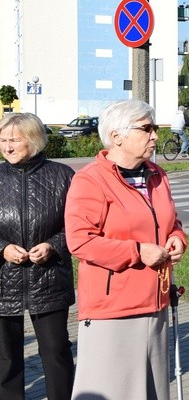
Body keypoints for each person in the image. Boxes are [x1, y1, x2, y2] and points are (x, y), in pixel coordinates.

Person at [65, 99, 187, 400]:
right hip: (114, 308)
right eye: (147, 129)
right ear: (116, 136)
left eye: (155, 128)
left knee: (151, 390)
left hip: (156, 302)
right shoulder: (90, 180)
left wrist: (178, 238)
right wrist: (137, 251)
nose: (155, 136)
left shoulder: (158, 174)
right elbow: (80, 240)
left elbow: (171, 221)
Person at [0, 113, 75, 400]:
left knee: (56, 351)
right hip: (3, 281)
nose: (7, 147)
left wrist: (53, 245)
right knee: (6, 358)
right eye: (3, 140)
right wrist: (3, 248)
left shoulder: (62, 176)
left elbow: (79, 225)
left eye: (14, 140)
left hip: (50, 278)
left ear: (34, 141)